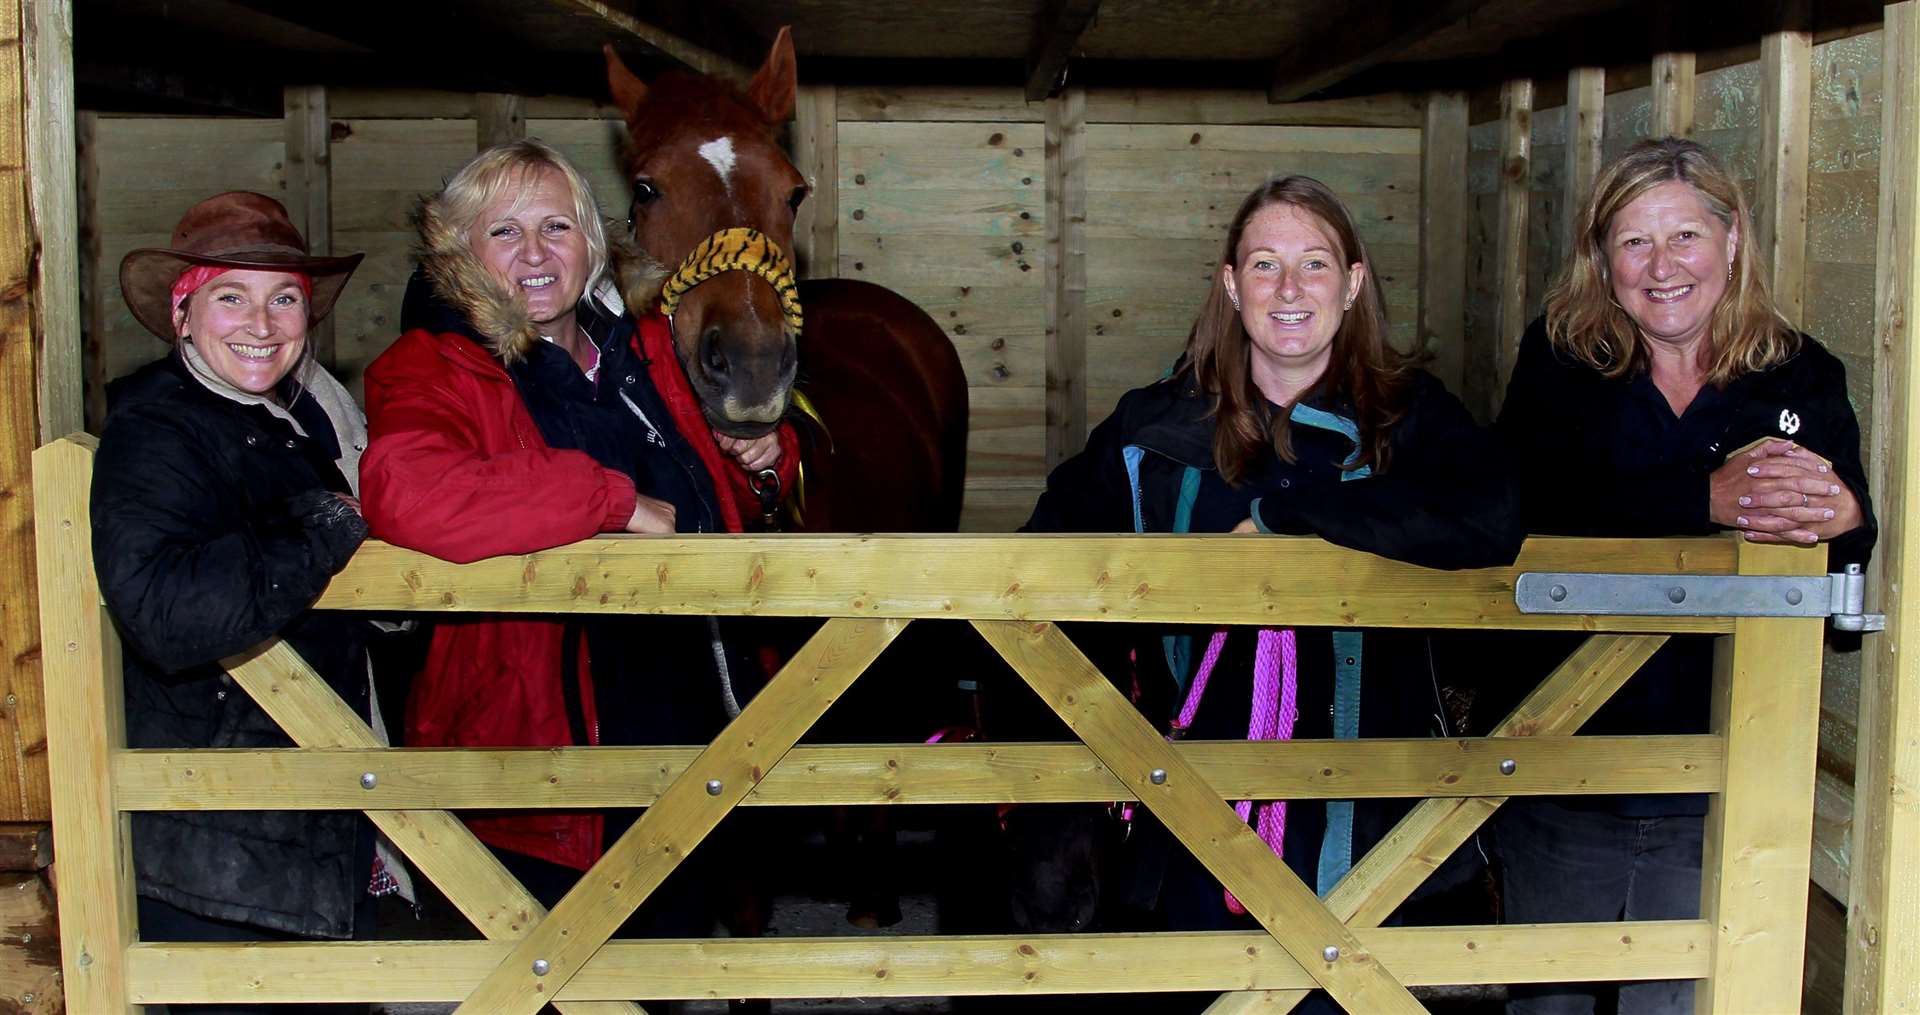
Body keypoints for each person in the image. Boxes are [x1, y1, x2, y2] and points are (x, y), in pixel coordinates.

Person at [1018, 175, 1523, 1013]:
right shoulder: (1155, 430)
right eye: (1264, 264)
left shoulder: (1412, 418)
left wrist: (1287, 520)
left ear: (1354, 283)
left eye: (1315, 264)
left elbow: (1494, 512)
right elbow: (1045, 556)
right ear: (1229, 284)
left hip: (1375, 824)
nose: (1290, 290)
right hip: (1194, 815)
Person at [358, 140, 797, 918]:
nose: (534, 252)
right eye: (505, 232)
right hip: (542, 769)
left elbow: (714, 493)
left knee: (669, 966)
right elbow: (409, 491)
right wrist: (608, 500)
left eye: (556, 227)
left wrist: (761, 457)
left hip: (695, 735)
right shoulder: (434, 365)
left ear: (592, 245)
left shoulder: (649, 353)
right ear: (460, 250)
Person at [1493, 136, 1876, 1015]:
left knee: (1684, 1003)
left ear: (1732, 239)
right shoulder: (1559, 365)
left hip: (1727, 776)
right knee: (1548, 1004)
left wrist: (1846, 524)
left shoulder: (1802, 374)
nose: (1661, 267)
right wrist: (1700, 494)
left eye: (1686, 237)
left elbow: (1843, 574)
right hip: (1566, 759)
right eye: (1634, 242)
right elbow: (1515, 515)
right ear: (1601, 257)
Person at [92, 192, 377, 1012]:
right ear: (184, 315)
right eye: (232, 296)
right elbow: (164, 611)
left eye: (283, 297)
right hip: (217, 844)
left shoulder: (283, 422)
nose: (263, 319)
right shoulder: (158, 426)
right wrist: (324, 529)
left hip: (277, 827)